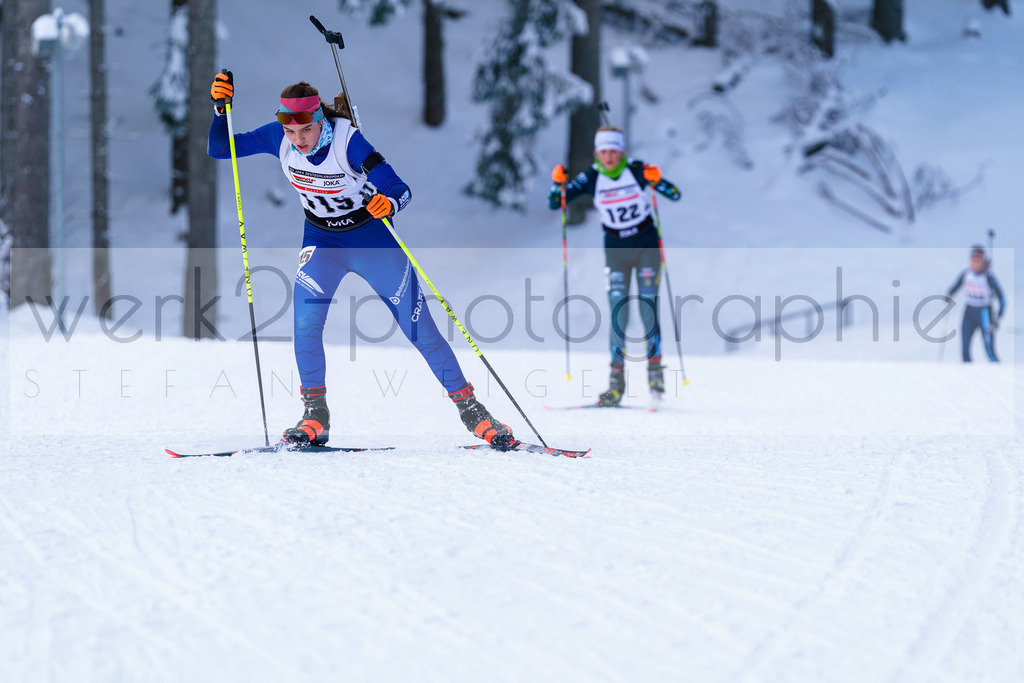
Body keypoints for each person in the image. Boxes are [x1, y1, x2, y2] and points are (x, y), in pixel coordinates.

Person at [207, 72, 514, 449]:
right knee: (304, 324)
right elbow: (221, 149)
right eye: (291, 133)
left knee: (419, 329)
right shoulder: (278, 136)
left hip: (371, 239)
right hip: (322, 242)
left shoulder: (348, 141)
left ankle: (474, 412)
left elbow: (398, 187)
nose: (298, 141)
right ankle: (315, 416)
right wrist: (221, 111)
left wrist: (389, 202)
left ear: (320, 120)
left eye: (306, 131)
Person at [548, 126, 681, 406]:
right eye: (603, 151)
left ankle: (655, 375)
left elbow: (674, 194)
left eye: (613, 150)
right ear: (597, 152)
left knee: (647, 308)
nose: (608, 156)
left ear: (622, 151)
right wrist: (557, 183)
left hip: (646, 247)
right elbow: (556, 202)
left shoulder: (636, 170)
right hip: (616, 250)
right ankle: (615, 385)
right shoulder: (591, 177)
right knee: (618, 314)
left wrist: (658, 180)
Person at [946, 245, 1006, 362]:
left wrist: (997, 317)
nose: (975, 264)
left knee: (989, 349)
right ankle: (968, 374)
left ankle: (999, 371)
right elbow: (954, 288)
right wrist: (949, 295)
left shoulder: (988, 276)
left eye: (978, 261)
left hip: (984, 312)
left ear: (983, 261)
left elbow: (1002, 299)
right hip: (969, 312)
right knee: (965, 347)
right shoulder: (966, 274)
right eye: (973, 260)